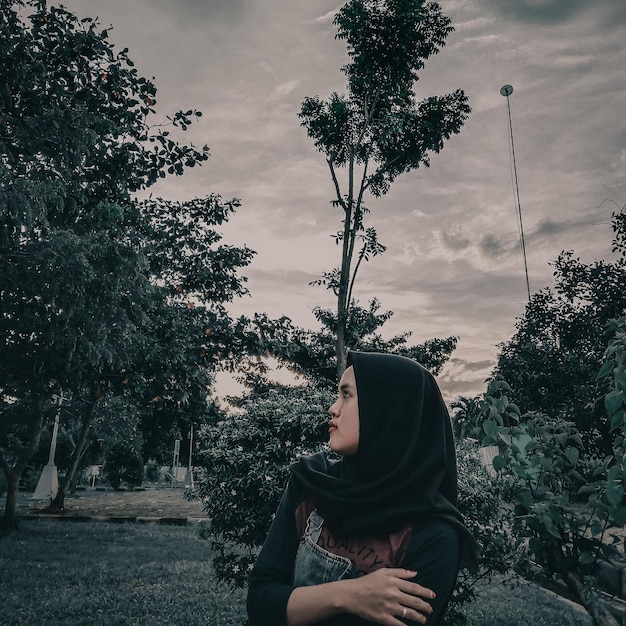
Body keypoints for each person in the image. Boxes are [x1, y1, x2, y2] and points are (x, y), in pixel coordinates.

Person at [247, 351, 478, 626]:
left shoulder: (434, 533)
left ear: (389, 409)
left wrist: (295, 604)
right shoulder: (312, 483)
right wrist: (348, 595)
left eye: (347, 395)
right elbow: (260, 602)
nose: (333, 408)